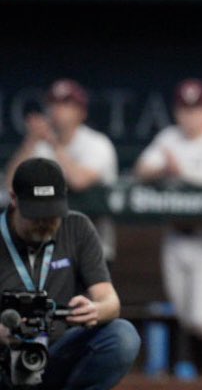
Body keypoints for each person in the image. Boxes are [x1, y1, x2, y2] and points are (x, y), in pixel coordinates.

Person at [0, 158, 140, 390]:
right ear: (14, 200)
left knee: (122, 335)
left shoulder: (77, 227)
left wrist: (94, 310)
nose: (45, 223)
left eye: (52, 214)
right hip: (1, 361)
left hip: (51, 357)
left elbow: (110, 301)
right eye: (36, 215)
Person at [134, 79, 202, 376]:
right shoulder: (169, 137)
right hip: (177, 235)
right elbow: (142, 169)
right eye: (185, 109)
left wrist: (181, 171)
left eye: (197, 109)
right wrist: (162, 168)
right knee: (187, 319)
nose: (191, 116)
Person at [4, 79, 119, 267]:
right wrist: (30, 142)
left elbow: (79, 181)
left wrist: (54, 145)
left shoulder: (97, 143)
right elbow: (9, 185)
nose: (57, 110)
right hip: (48, 249)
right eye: (53, 103)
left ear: (82, 112)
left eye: (66, 104)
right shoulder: (40, 146)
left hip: (92, 248)